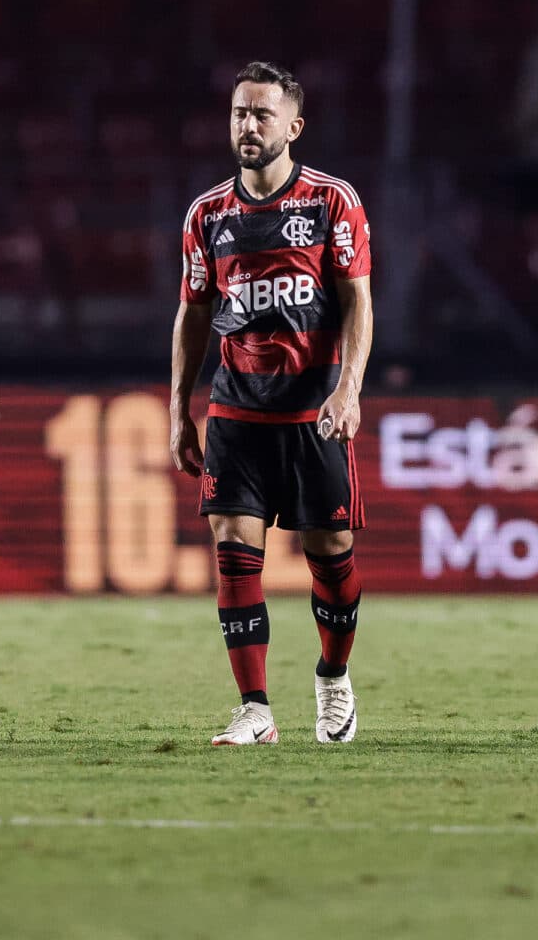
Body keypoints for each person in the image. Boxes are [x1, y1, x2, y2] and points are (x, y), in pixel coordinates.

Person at [169, 62, 373, 747]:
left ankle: (332, 678)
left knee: (331, 553)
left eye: (261, 114)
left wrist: (349, 389)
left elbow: (358, 301)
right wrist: (178, 408)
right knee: (232, 549)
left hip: (313, 413)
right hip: (236, 412)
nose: (247, 125)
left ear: (294, 125)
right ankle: (255, 708)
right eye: (238, 113)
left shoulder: (330, 201)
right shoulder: (208, 214)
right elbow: (192, 313)